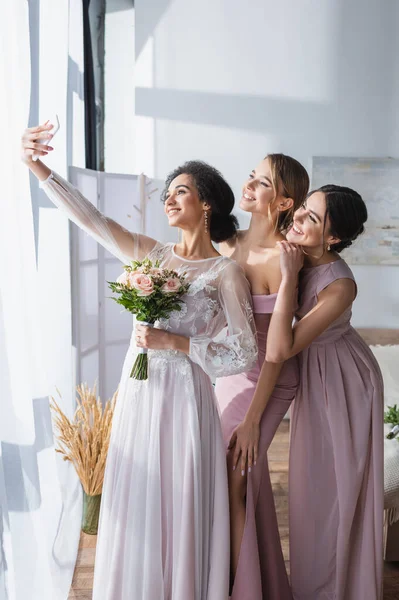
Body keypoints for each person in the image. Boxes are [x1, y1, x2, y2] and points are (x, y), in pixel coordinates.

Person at [21, 122, 258, 600]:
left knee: (180, 494)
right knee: (139, 494)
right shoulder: (152, 255)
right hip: (138, 393)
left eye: (180, 192)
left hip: (188, 399)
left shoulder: (225, 272)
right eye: (168, 193)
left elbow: (248, 350)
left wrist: (178, 345)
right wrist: (36, 166)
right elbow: (92, 221)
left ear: (206, 203)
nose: (169, 200)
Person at [266, 185, 384, 600]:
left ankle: (344, 590)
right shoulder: (299, 252)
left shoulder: (340, 285)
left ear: (332, 238)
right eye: (302, 210)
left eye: (311, 219)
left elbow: (281, 348)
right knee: (309, 492)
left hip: (345, 384)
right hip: (316, 380)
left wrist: (285, 277)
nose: (297, 219)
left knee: (336, 491)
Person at [216, 154, 309, 599]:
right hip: (228, 377)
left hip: (266, 383)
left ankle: (244, 591)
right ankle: (250, 579)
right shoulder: (227, 244)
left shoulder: (285, 259)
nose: (249, 184)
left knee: (234, 479)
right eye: (251, 175)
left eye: (263, 181)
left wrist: (253, 420)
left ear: (285, 200)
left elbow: (275, 354)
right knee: (228, 478)